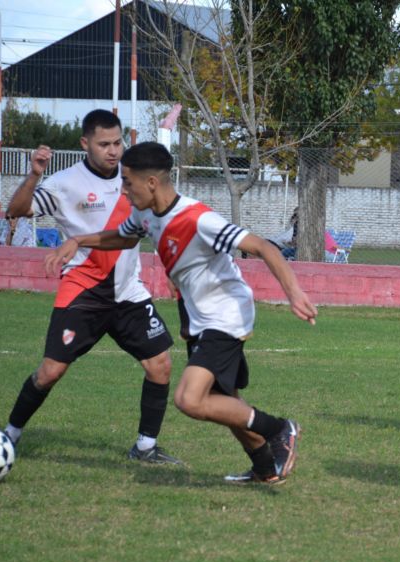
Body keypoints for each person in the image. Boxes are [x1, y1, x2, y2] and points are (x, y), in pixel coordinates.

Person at [46, 142, 317, 484]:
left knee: (190, 399)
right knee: (222, 400)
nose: (123, 190)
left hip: (227, 316)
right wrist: (79, 241)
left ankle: (280, 428)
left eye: (127, 182)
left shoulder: (197, 219)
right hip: (199, 318)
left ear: (151, 183)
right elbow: (122, 238)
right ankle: (265, 468)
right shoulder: (145, 214)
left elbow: (262, 246)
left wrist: (294, 293)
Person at [3, 109, 180, 464]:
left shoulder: (133, 179)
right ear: (85, 144)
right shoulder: (65, 182)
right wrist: (34, 176)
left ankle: (145, 447)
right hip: (83, 289)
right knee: (51, 372)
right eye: (104, 144)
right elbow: (16, 209)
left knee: (160, 364)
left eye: (117, 142)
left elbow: (158, 223)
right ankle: (9, 436)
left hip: (128, 292)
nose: (113, 151)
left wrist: (173, 270)